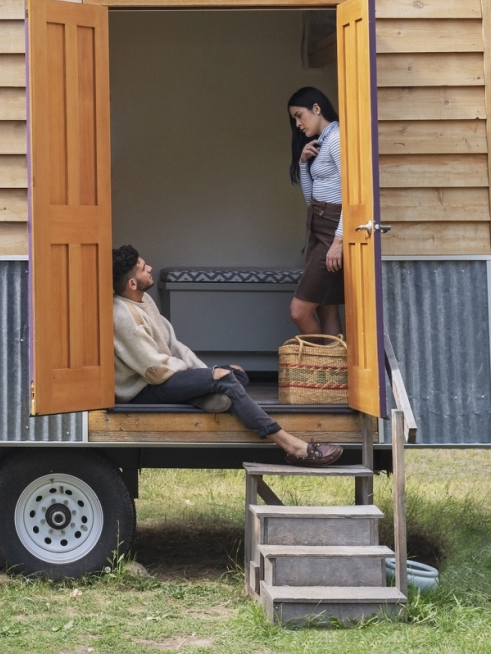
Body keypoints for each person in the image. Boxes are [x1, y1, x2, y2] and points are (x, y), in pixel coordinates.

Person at [112, 245, 343, 466]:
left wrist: (205, 375)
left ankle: (203, 396)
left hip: (166, 377)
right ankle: (292, 446)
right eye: (143, 268)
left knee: (237, 373)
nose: (150, 268)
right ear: (132, 283)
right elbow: (155, 370)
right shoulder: (122, 315)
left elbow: (173, 344)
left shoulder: (145, 300)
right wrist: (209, 378)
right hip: (144, 389)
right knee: (225, 380)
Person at [287, 86, 344, 336]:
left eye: (300, 115)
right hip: (317, 227)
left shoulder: (337, 139)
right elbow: (311, 201)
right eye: (295, 119)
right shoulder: (321, 143)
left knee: (299, 311)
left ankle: (323, 368)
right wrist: (302, 163)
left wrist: (339, 240)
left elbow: (353, 194)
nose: (298, 123)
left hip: (332, 231)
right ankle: (336, 373)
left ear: (317, 109)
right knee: (326, 308)